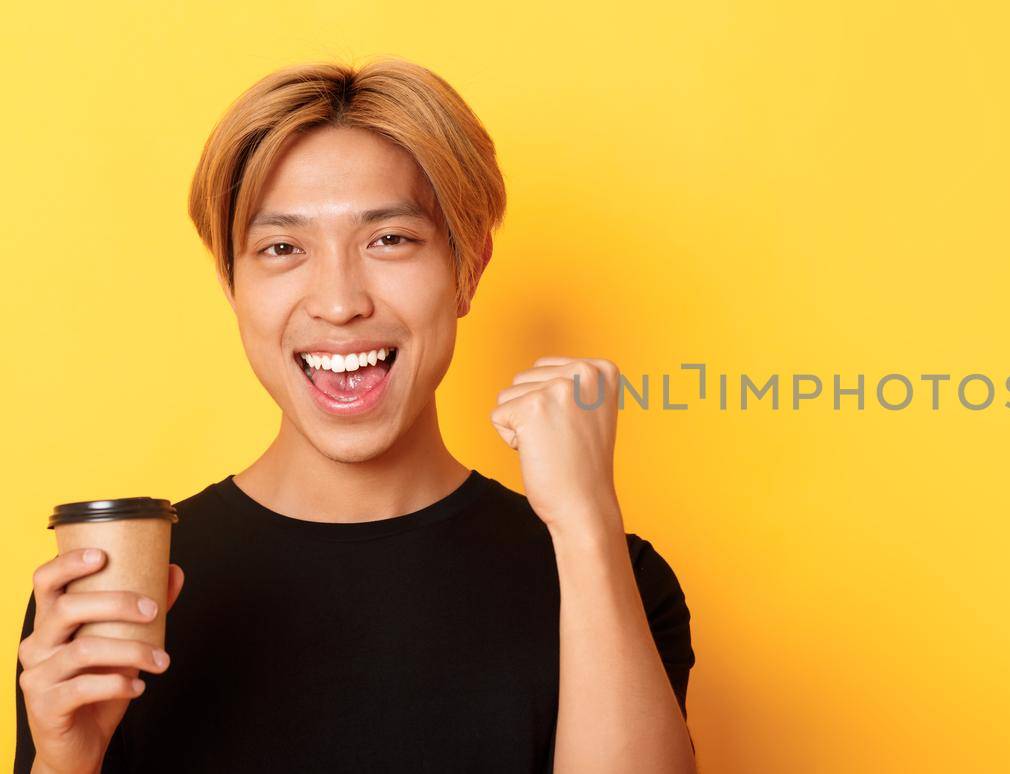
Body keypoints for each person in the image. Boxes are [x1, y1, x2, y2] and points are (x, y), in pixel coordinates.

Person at [12, 58, 697, 774]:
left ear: (469, 269)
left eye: (389, 240)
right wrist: (65, 763)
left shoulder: (614, 577)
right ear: (231, 284)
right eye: (282, 248)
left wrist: (587, 527)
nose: (339, 302)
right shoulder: (118, 601)